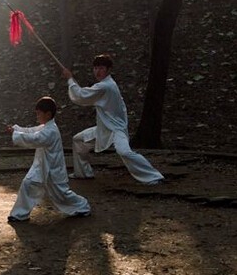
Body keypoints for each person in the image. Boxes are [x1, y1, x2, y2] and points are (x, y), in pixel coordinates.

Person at [62, 54, 164, 185]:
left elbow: (81, 96)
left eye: (101, 68)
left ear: (108, 70)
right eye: (95, 68)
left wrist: (70, 79)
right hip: (104, 128)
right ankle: (83, 173)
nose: (97, 71)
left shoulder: (106, 86)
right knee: (78, 140)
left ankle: (154, 177)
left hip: (116, 129)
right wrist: (71, 80)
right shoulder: (105, 85)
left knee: (124, 152)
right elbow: (84, 94)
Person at [6, 96, 91, 222]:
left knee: (62, 195)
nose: (37, 116)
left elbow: (35, 139)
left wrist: (16, 134)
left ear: (48, 114)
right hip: (42, 167)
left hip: (52, 170)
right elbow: (31, 132)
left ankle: (83, 206)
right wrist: (16, 130)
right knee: (28, 184)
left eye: (39, 113)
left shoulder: (50, 130)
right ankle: (18, 215)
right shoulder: (46, 127)